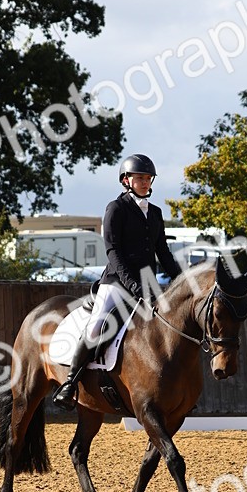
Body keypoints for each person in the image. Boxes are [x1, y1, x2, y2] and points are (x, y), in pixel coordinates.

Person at [53, 153, 181, 409]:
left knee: (171, 330)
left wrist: (181, 279)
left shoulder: (155, 213)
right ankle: (70, 383)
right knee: (96, 327)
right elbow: (113, 251)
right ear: (126, 180)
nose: (145, 182)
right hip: (116, 283)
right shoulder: (116, 208)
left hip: (148, 285)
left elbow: (163, 252)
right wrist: (132, 284)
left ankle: (172, 389)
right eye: (140, 178)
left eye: (148, 178)